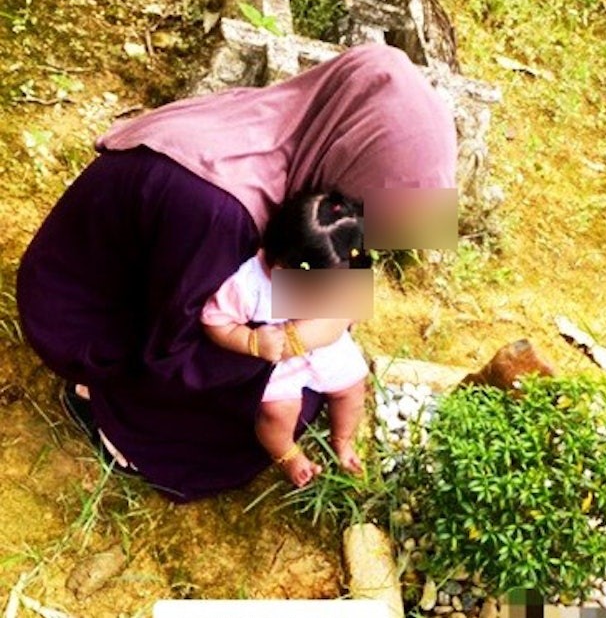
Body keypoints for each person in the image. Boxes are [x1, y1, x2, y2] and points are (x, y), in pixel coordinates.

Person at [16, 43, 457, 502]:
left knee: (311, 368)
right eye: (364, 208)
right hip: (88, 317)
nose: (357, 228)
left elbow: (330, 272)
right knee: (271, 413)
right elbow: (177, 345)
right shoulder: (223, 212)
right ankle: (108, 408)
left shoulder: (294, 126)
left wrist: (334, 305)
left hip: (163, 278)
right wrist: (291, 339)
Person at [201, 192, 370, 487]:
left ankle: (343, 440)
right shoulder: (249, 284)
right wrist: (251, 341)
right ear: (282, 268)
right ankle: (287, 454)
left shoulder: (335, 266)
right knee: (278, 412)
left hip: (325, 346)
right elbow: (214, 320)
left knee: (354, 388)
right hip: (278, 359)